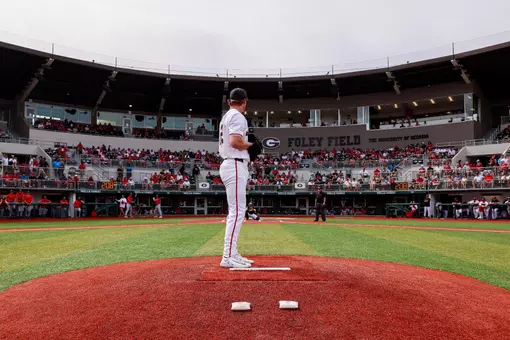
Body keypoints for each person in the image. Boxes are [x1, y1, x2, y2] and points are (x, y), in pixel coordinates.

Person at [218, 88, 256, 269]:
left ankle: (233, 253)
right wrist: (252, 146)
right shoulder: (237, 116)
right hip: (234, 163)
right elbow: (235, 142)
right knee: (237, 211)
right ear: (245, 101)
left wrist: (249, 145)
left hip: (233, 163)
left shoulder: (227, 115)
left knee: (237, 210)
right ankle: (227, 256)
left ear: (229, 101)